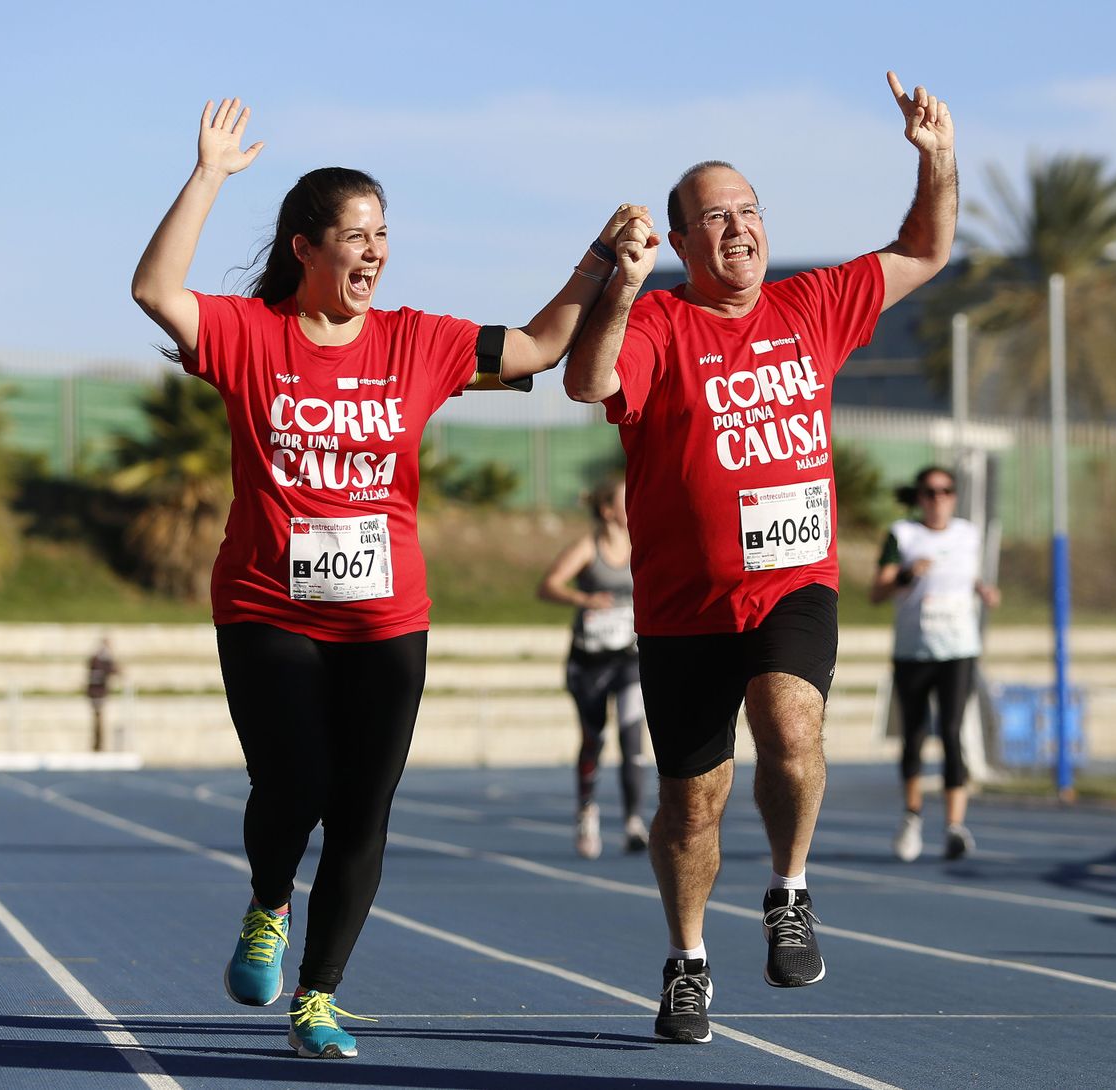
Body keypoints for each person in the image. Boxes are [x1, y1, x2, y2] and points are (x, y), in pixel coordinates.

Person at [131, 98, 647, 1060]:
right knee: (292, 784)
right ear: (304, 248)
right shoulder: (248, 336)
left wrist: (596, 258)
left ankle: (318, 998)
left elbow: (539, 347)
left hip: (384, 619)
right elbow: (156, 290)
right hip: (266, 608)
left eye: (384, 237)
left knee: (364, 807)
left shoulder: (418, 341)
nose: (374, 253)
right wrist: (208, 176)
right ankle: (267, 902)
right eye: (355, 237)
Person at [563, 71, 956, 1044]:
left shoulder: (814, 304)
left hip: (792, 580)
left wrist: (937, 160)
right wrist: (619, 283)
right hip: (683, 606)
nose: (737, 229)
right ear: (683, 241)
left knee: (789, 722)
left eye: (748, 212)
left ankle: (789, 889)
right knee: (692, 803)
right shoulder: (657, 321)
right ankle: (687, 958)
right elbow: (587, 379)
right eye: (714, 218)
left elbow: (925, 247)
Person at [869, 466, 999, 862]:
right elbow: (878, 591)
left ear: (954, 497)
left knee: (954, 731)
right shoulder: (903, 535)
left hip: (958, 648)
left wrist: (982, 589)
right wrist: (908, 574)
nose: (938, 499)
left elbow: (966, 574)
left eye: (946, 491)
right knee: (915, 734)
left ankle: (955, 826)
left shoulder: (968, 534)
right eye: (930, 492)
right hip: (914, 650)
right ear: (919, 497)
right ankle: (912, 817)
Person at [536, 474, 648, 859]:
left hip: (629, 658)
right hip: (589, 662)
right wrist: (585, 599)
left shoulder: (641, 545)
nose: (633, 504)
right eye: (624, 499)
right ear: (606, 510)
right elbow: (548, 585)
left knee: (633, 739)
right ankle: (587, 809)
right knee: (593, 739)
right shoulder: (589, 547)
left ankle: (634, 821)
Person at [86, 635, 122, 753]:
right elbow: (113, 670)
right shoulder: (101, 658)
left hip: (98, 693)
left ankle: (98, 745)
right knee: (98, 720)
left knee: (99, 720)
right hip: (98, 693)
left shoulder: (97, 658)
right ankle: (98, 746)